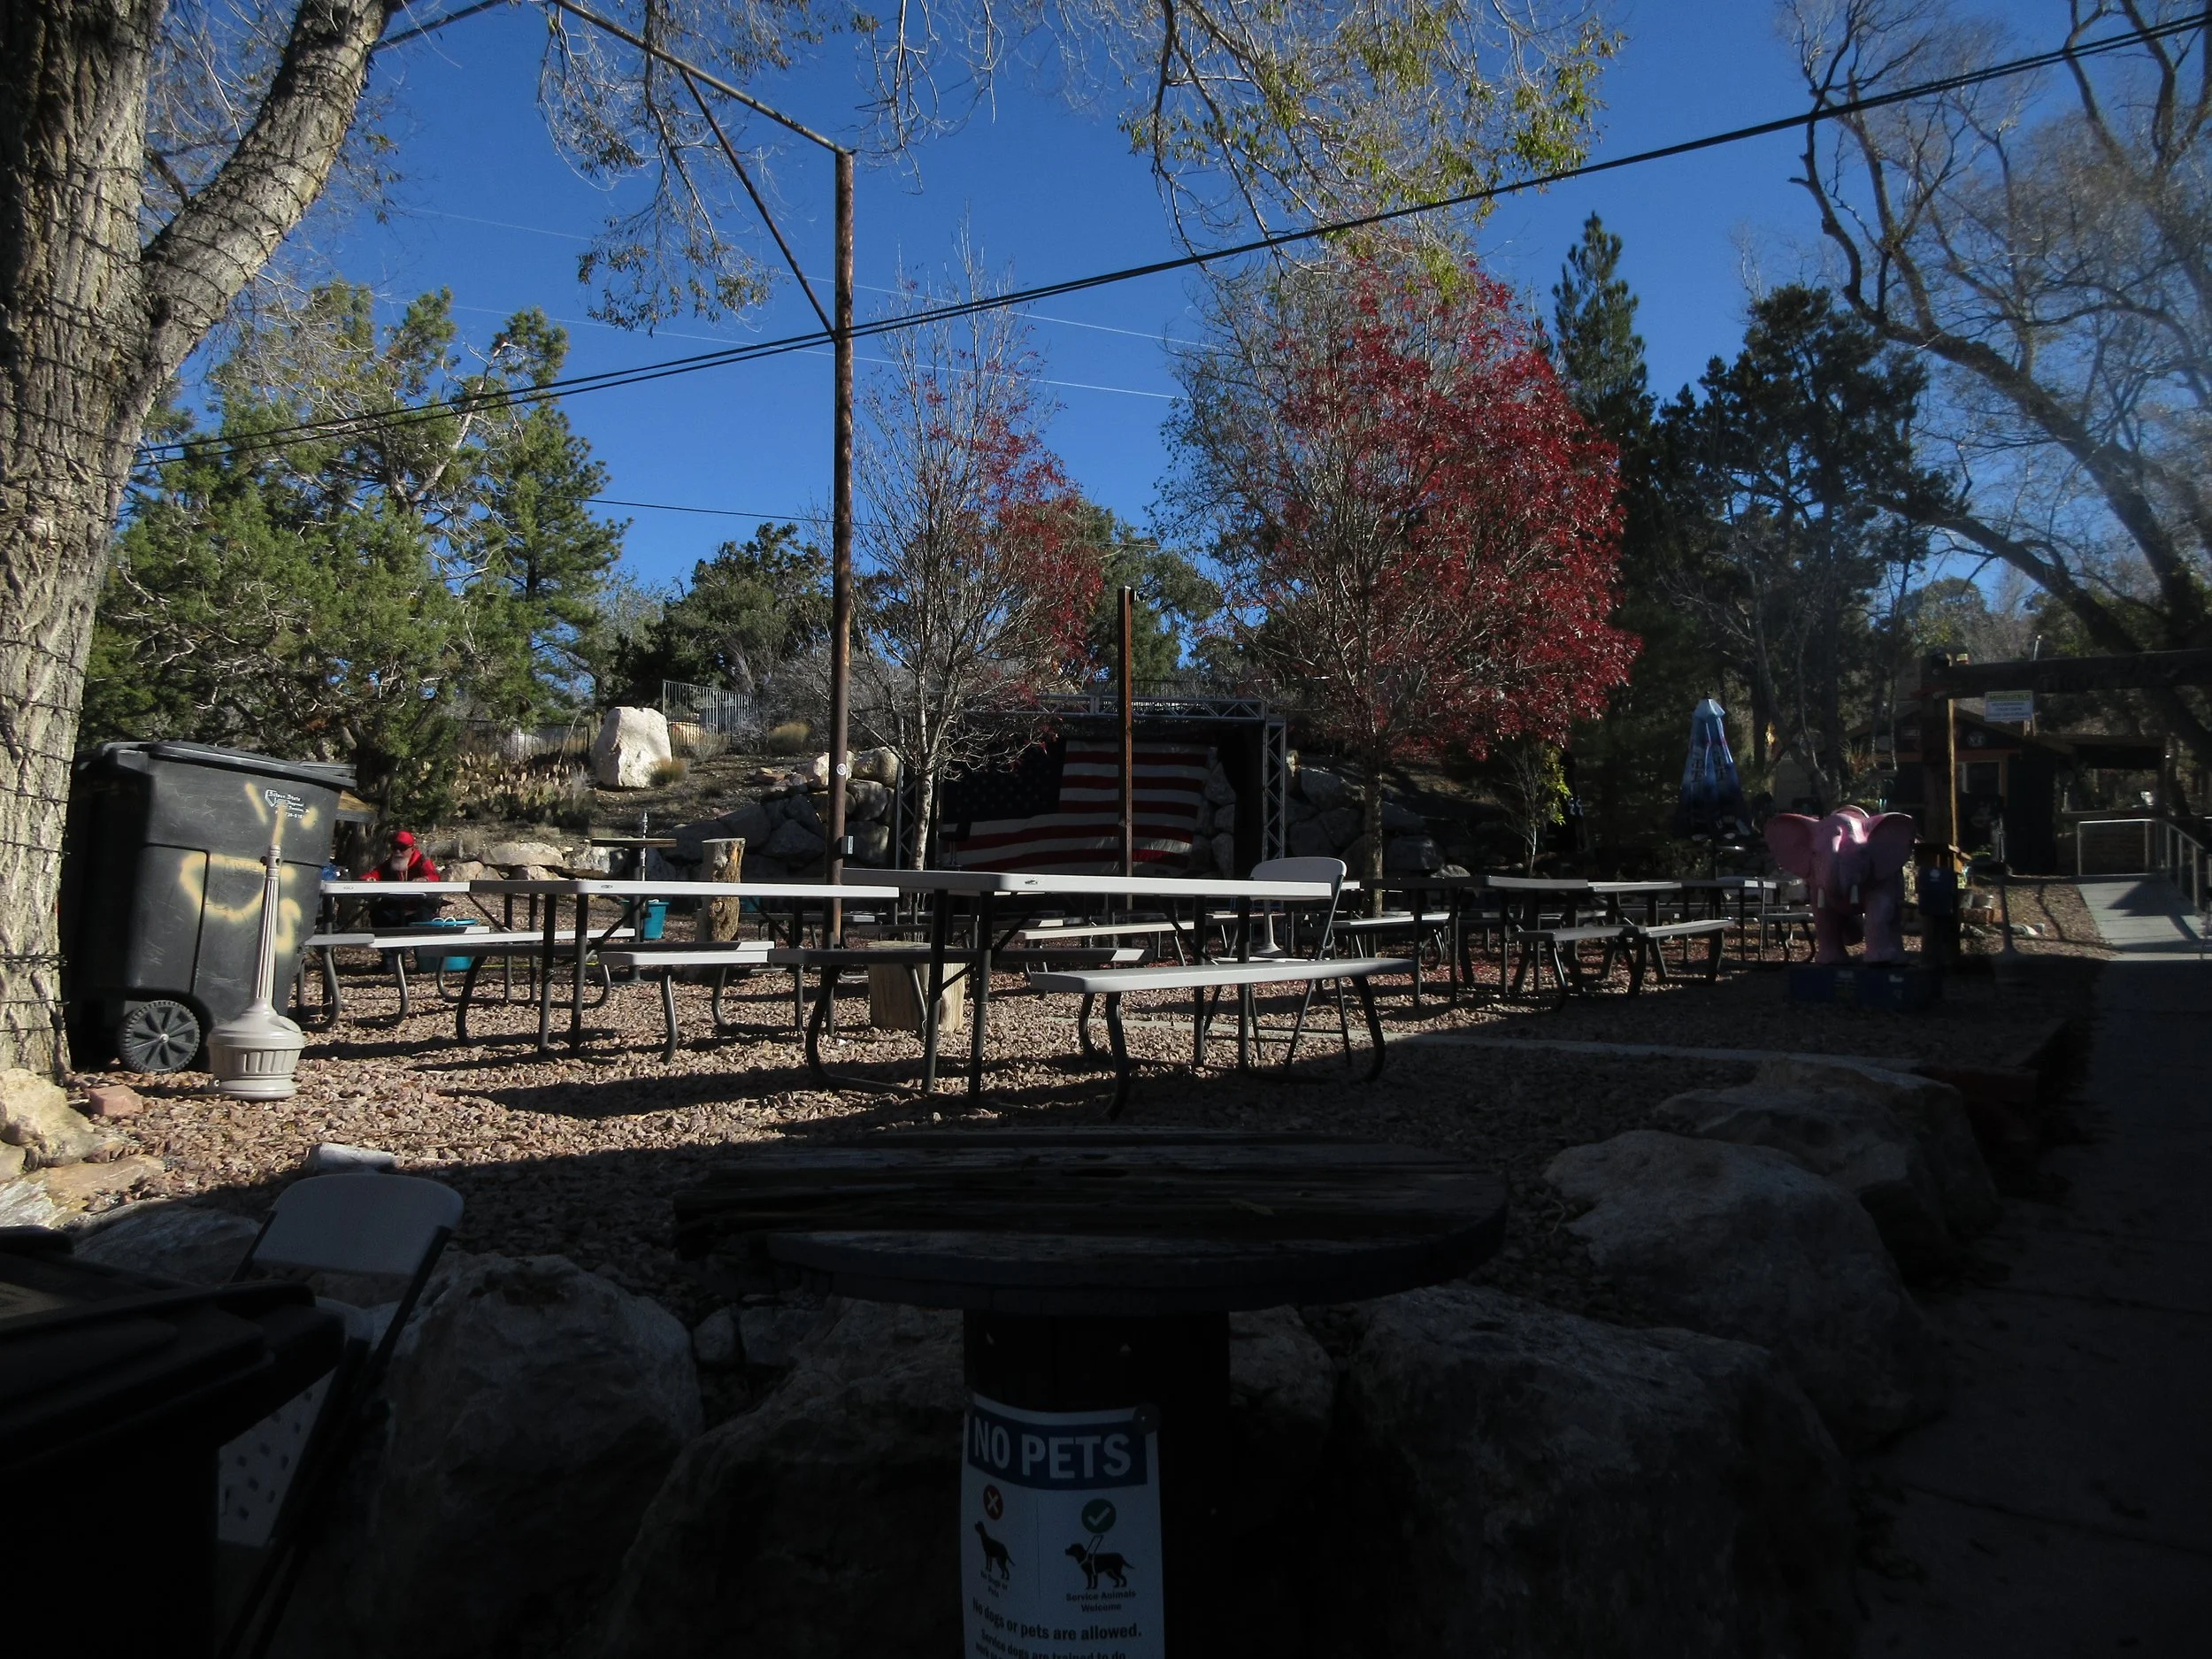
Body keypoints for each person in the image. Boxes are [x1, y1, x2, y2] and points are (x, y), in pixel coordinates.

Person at [364, 830, 442, 926]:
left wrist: (425, 879)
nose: (397, 852)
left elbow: (434, 876)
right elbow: (373, 874)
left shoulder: (422, 861)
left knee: (423, 914)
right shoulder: (389, 864)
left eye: (402, 848)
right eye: (394, 848)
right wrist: (367, 879)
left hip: (418, 909)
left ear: (412, 849)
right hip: (396, 909)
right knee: (378, 913)